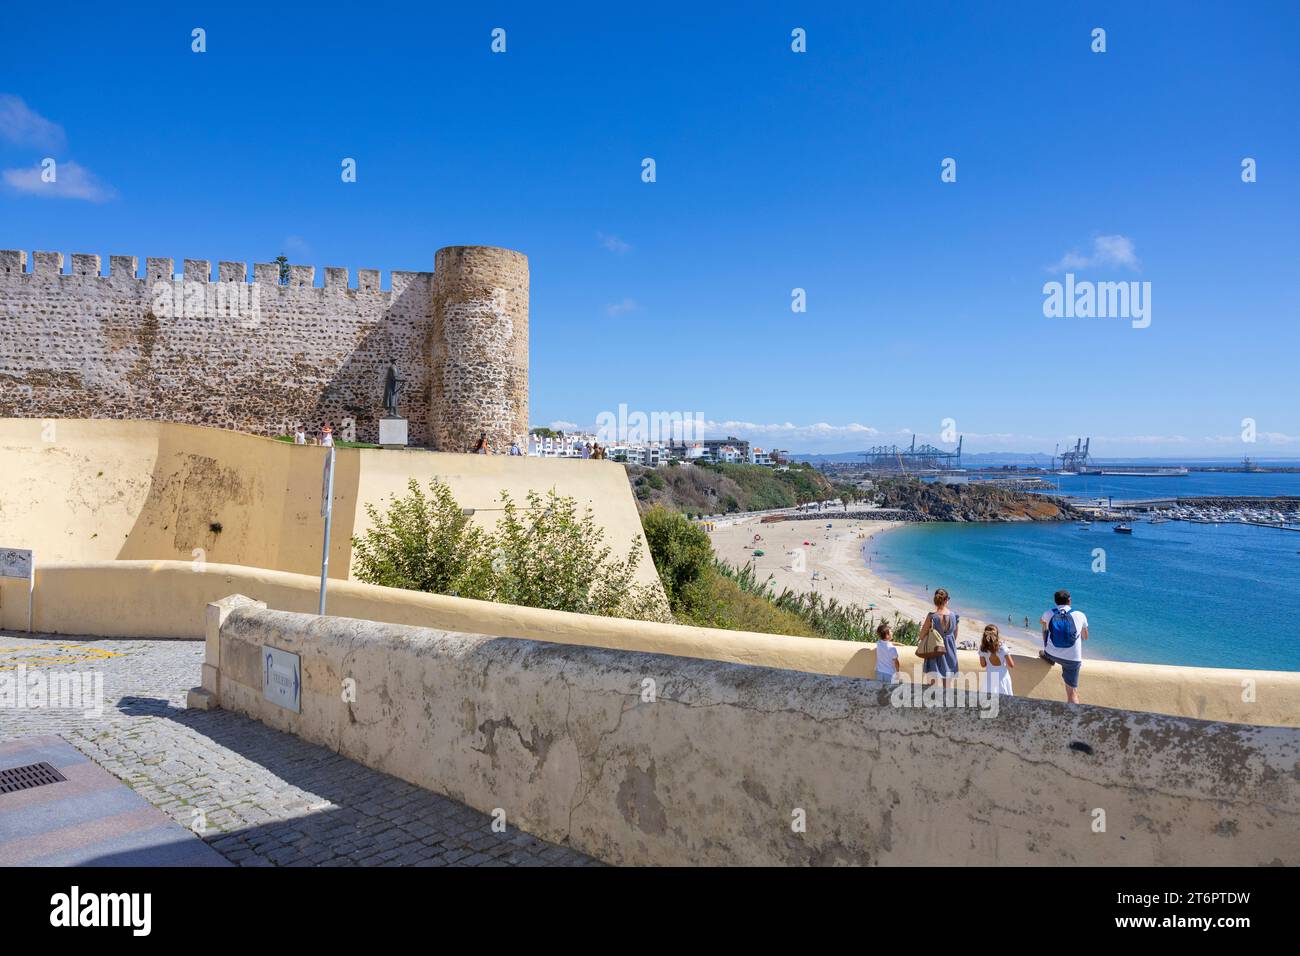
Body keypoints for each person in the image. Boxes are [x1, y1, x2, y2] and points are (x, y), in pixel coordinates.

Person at [1040, 589, 1089, 704]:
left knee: (1045, 627)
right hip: (1072, 659)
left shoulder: (1049, 613)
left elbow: (1041, 622)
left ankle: (1047, 654)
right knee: (1072, 692)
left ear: (1055, 602)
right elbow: (1085, 636)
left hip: (1051, 654)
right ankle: (1073, 716)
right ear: (1069, 601)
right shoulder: (1080, 615)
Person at [917, 587, 959, 688]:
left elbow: (921, 636)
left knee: (931, 686)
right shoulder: (954, 616)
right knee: (947, 686)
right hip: (949, 651)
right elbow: (955, 635)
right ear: (946, 600)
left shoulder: (932, 617)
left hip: (934, 651)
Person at [979, 624, 1015, 696]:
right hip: (1002, 677)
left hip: (990, 677)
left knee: (990, 700)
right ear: (997, 635)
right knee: (1004, 699)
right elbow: (1011, 665)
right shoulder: (1002, 648)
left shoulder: (983, 649)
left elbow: (983, 665)